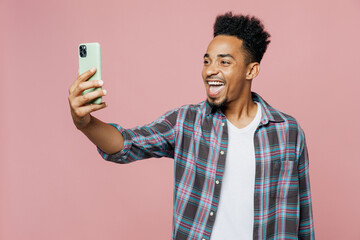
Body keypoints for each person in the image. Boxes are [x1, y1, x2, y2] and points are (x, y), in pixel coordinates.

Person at [68, 12, 314, 240]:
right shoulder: (187, 122)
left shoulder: (287, 132)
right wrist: (85, 123)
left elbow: (303, 221)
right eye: (207, 61)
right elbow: (127, 144)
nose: (211, 70)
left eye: (224, 62)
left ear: (252, 70)